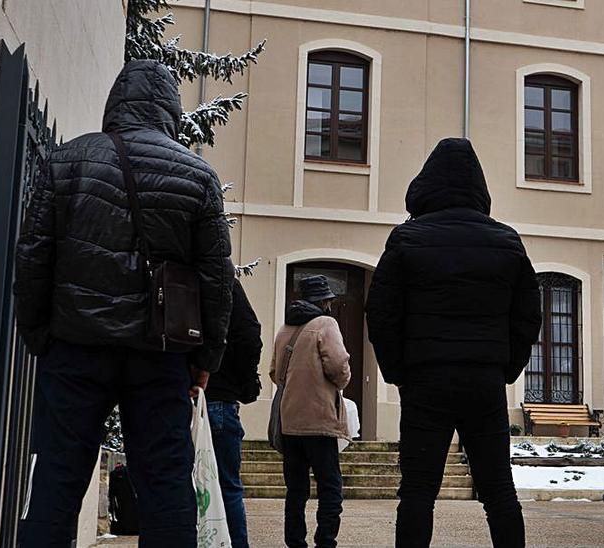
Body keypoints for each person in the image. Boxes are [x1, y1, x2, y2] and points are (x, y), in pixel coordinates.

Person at [13, 59, 233, 547]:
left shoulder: (68, 161)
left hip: (75, 347)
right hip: (159, 354)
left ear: (116, 103)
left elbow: (32, 257)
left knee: (56, 480)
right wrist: (204, 360)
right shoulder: (197, 176)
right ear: (171, 112)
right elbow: (216, 280)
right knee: (165, 486)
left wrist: (41, 337)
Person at [366, 137, 542, 548]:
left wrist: (399, 373)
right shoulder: (506, 241)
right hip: (483, 379)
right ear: (479, 187)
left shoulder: (407, 239)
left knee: (417, 491)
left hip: (426, 378)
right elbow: (528, 316)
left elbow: (381, 312)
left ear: (426, 184)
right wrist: (504, 367)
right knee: (499, 490)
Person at [271, 275, 352, 548]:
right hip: (319, 419)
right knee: (330, 487)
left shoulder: (285, 329)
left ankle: (295, 542)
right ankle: (325, 541)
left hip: (289, 420)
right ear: (324, 301)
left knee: (296, 490)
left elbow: (274, 373)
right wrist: (339, 383)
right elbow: (339, 365)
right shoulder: (326, 324)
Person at [206, 277, 264, 548]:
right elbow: (250, 335)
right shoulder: (224, 280)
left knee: (175, 483)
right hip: (220, 395)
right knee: (228, 485)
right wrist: (242, 382)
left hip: (178, 395)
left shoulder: (167, 269)